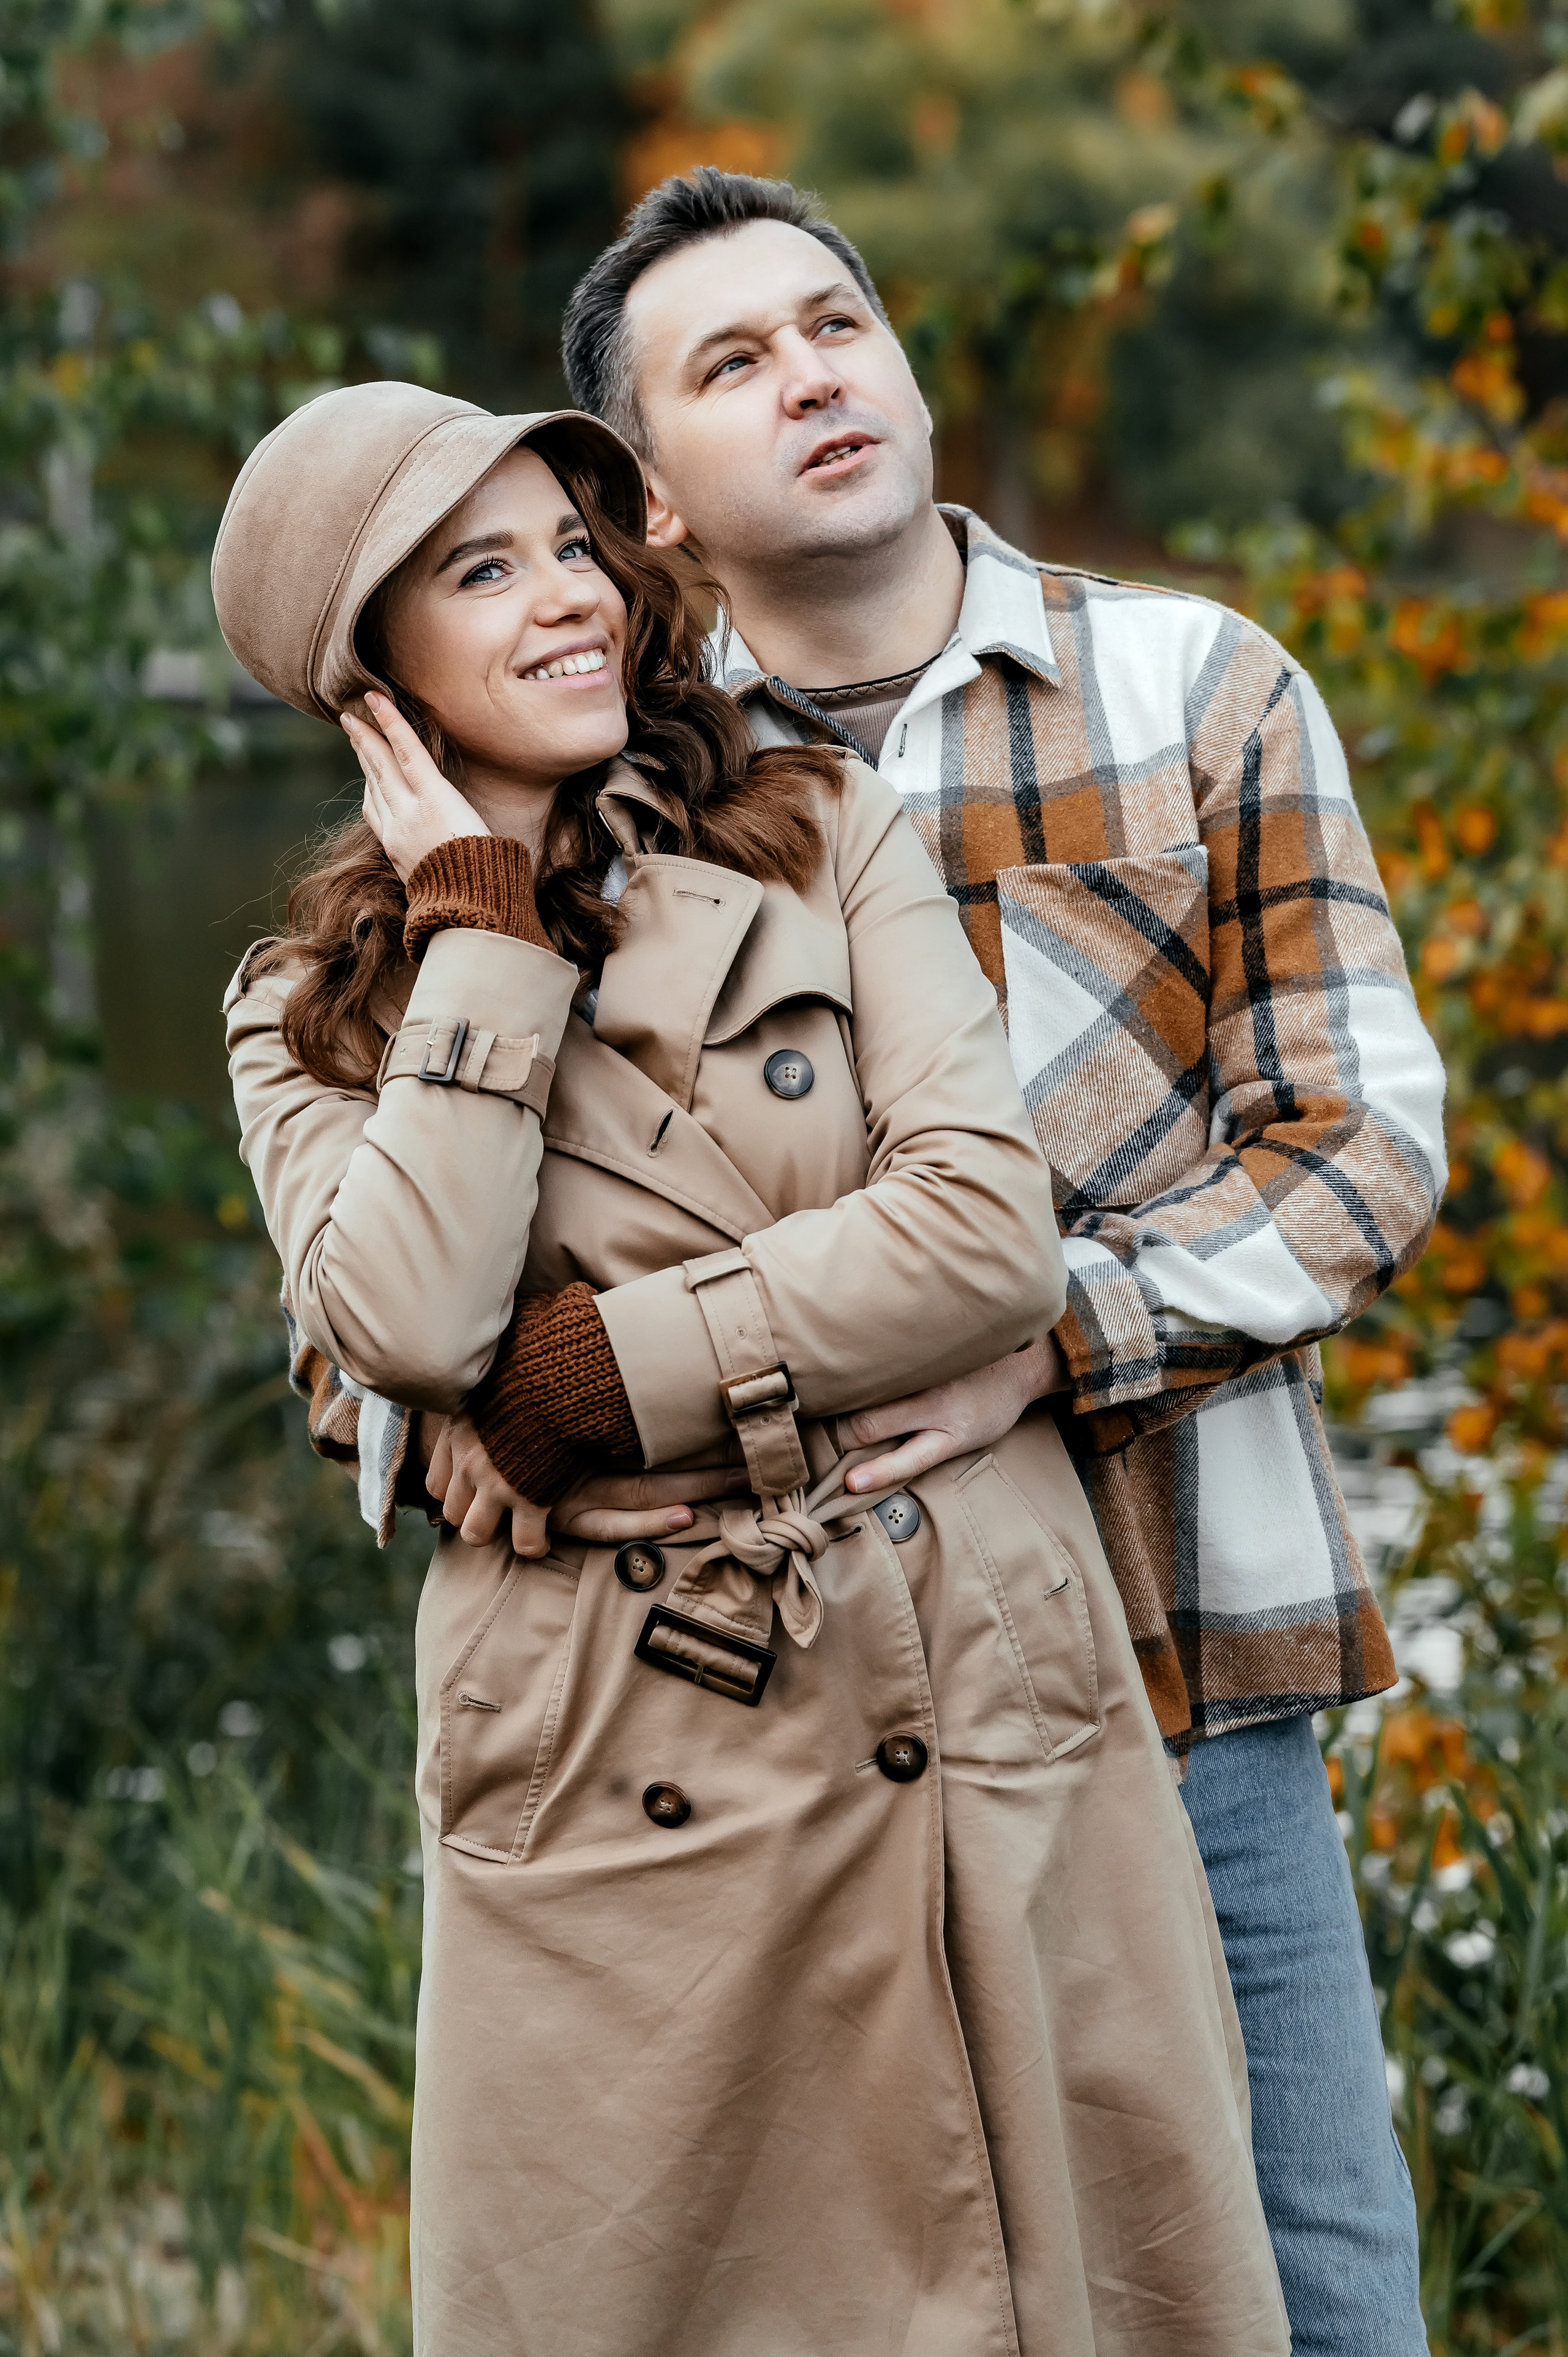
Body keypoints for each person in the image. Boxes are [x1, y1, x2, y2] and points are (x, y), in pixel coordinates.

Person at [215, 380, 1287, 2355]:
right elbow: (412, 1329)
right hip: (622, 1739)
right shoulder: (305, 1012)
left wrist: (598, 1381)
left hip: (957, 1659)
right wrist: (479, 922)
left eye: (572, 550)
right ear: (370, 681)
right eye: (482, 572)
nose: (567, 604)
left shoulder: (817, 833)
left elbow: (981, 1236)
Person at [551, 170, 1444, 2354]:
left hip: (1183, 1643)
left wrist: (1063, 1334)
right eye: (733, 363)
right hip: (801, 1685)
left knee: (1315, 2277)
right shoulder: (623, 798)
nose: (814, 378)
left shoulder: (1195, 687)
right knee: (887, 2293)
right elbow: (461, 1230)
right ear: (654, 502)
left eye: (836, 322)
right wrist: (447, 1428)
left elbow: (1362, 1137)